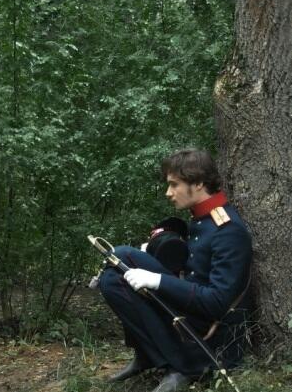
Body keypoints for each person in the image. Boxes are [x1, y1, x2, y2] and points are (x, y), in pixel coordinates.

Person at [97, 149, 252, 392]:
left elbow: (218, 302)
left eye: (174, 185)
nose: (168, 193)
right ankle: (147, 356)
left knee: (121, 257)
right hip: (190, 312)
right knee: (112, 276)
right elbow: (194, 270)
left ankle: (181, 365)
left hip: (211, 334)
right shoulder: (202, 218)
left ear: (199, 182)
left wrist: (157, 280)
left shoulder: (228, 230)